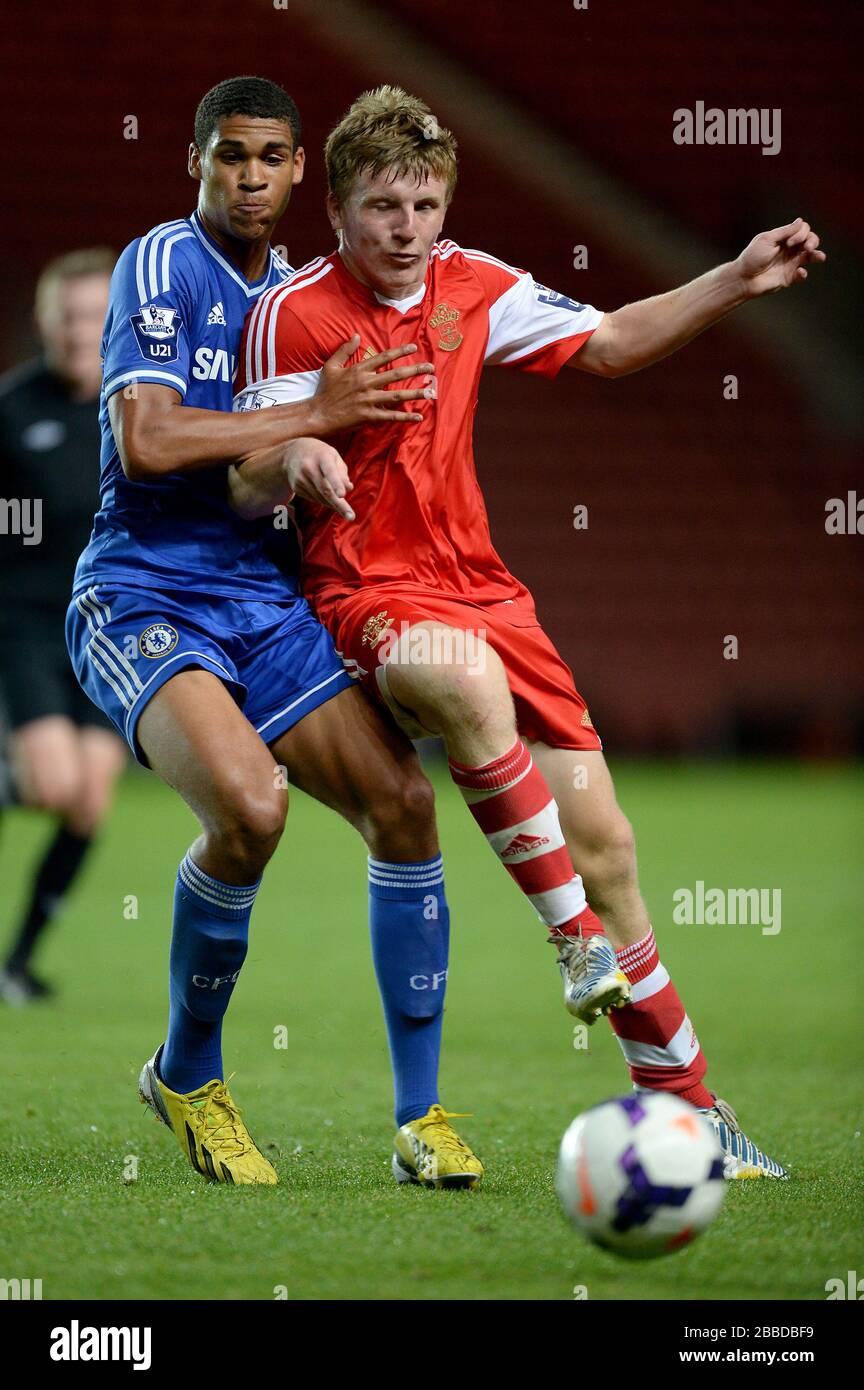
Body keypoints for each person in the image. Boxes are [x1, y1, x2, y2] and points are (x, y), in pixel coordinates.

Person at [232, 85, 824, 1179]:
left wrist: (735, 280)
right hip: (365, 585)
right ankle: (570, 941)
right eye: (381, 207)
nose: (405, 228)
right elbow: (244, 465)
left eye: (422, 204)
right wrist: (294, 455)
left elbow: (604, 343)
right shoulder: (294, 312)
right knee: (457, 683)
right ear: (337, 208)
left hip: (489, 591)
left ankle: (692, 1111)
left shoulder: (474, 283)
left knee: (609, 851)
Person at [65, 76, 485, 1188]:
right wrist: (316, 415)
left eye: (269, 159)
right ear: (195, 163)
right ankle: (188, 1073)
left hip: (258, 590)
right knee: (251, 807)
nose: (249, 178)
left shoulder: (297, 299)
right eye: (228, 157)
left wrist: (306, 465)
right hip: (143, 590)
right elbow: (149, 442)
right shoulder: (161, 264)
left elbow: (273, 465)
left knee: (401, 801)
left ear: (302, 170)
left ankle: (420, 1118)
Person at [0, 249, 127, 1004]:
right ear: (44, 321)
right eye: (68, 315)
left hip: (110, 631)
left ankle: (16, 964)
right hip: (31, 623)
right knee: (53, 788)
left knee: (89, 801)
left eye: (94, 315)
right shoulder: (13, 412)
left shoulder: (140, 404)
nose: (81, 331)